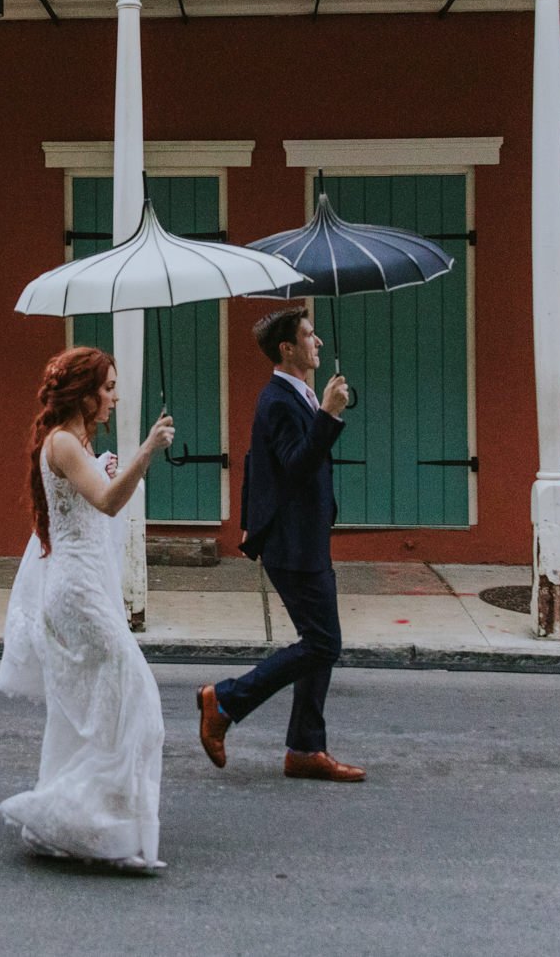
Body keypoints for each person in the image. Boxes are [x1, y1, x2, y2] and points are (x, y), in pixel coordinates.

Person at [0, 346, 176, 872]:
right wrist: (146, 450)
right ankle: (78, 816)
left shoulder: (74, 445)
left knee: (97, 712)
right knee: (134, 699)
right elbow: (108, 502)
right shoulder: (63, 443)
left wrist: (110, 465)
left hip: (85, 587)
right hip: (77, 594)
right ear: (84, 392)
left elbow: (92, 497)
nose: (115, 397)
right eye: (109, 387)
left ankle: (91, 824)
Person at [196, 307, 364, 783]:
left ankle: (306, 748)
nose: (319, 343)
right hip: (291, 543)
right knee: (324, 642)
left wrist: (323, 411)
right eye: (309, 336)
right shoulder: (277, 400)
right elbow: (294, 464)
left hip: (304, 537)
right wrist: (329, 416)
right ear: (287, 348)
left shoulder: (298, 395)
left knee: (320, 643)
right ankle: (224, 700)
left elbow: (264, 464)